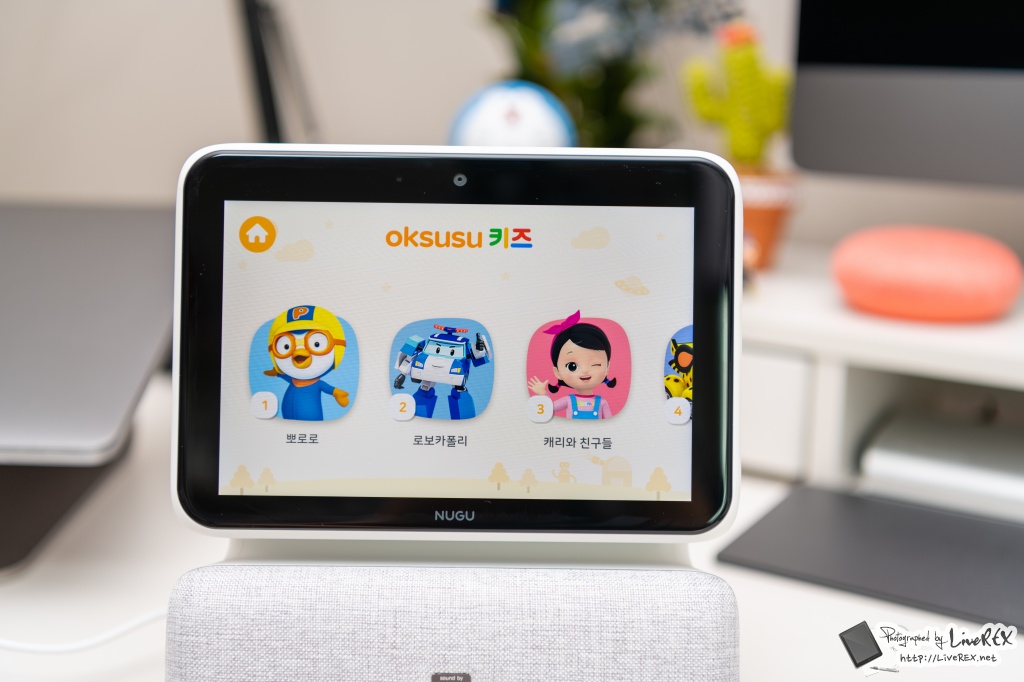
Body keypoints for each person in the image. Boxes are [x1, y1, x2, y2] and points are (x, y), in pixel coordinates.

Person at [527, 310, 617, 419]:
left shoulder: (602, 403)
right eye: (572, 366)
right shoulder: (568, 401)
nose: (585, 371)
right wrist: (542, 394)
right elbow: (548, 409)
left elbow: (610, 423)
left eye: (596, 364)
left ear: (607, 367)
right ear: (557, 372)